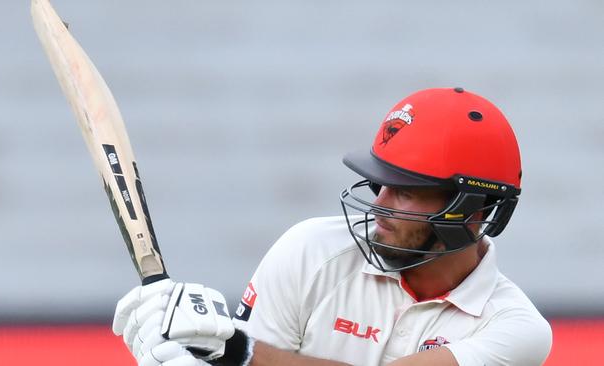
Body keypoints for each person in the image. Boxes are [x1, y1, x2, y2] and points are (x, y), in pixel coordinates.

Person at [112, 88, 553, 366]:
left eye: (405, 190)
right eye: (381, 183)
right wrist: (188, 352)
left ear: (470, 209)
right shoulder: (310, 251)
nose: (379, 204)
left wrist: (234, 350)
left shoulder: (515, 330)